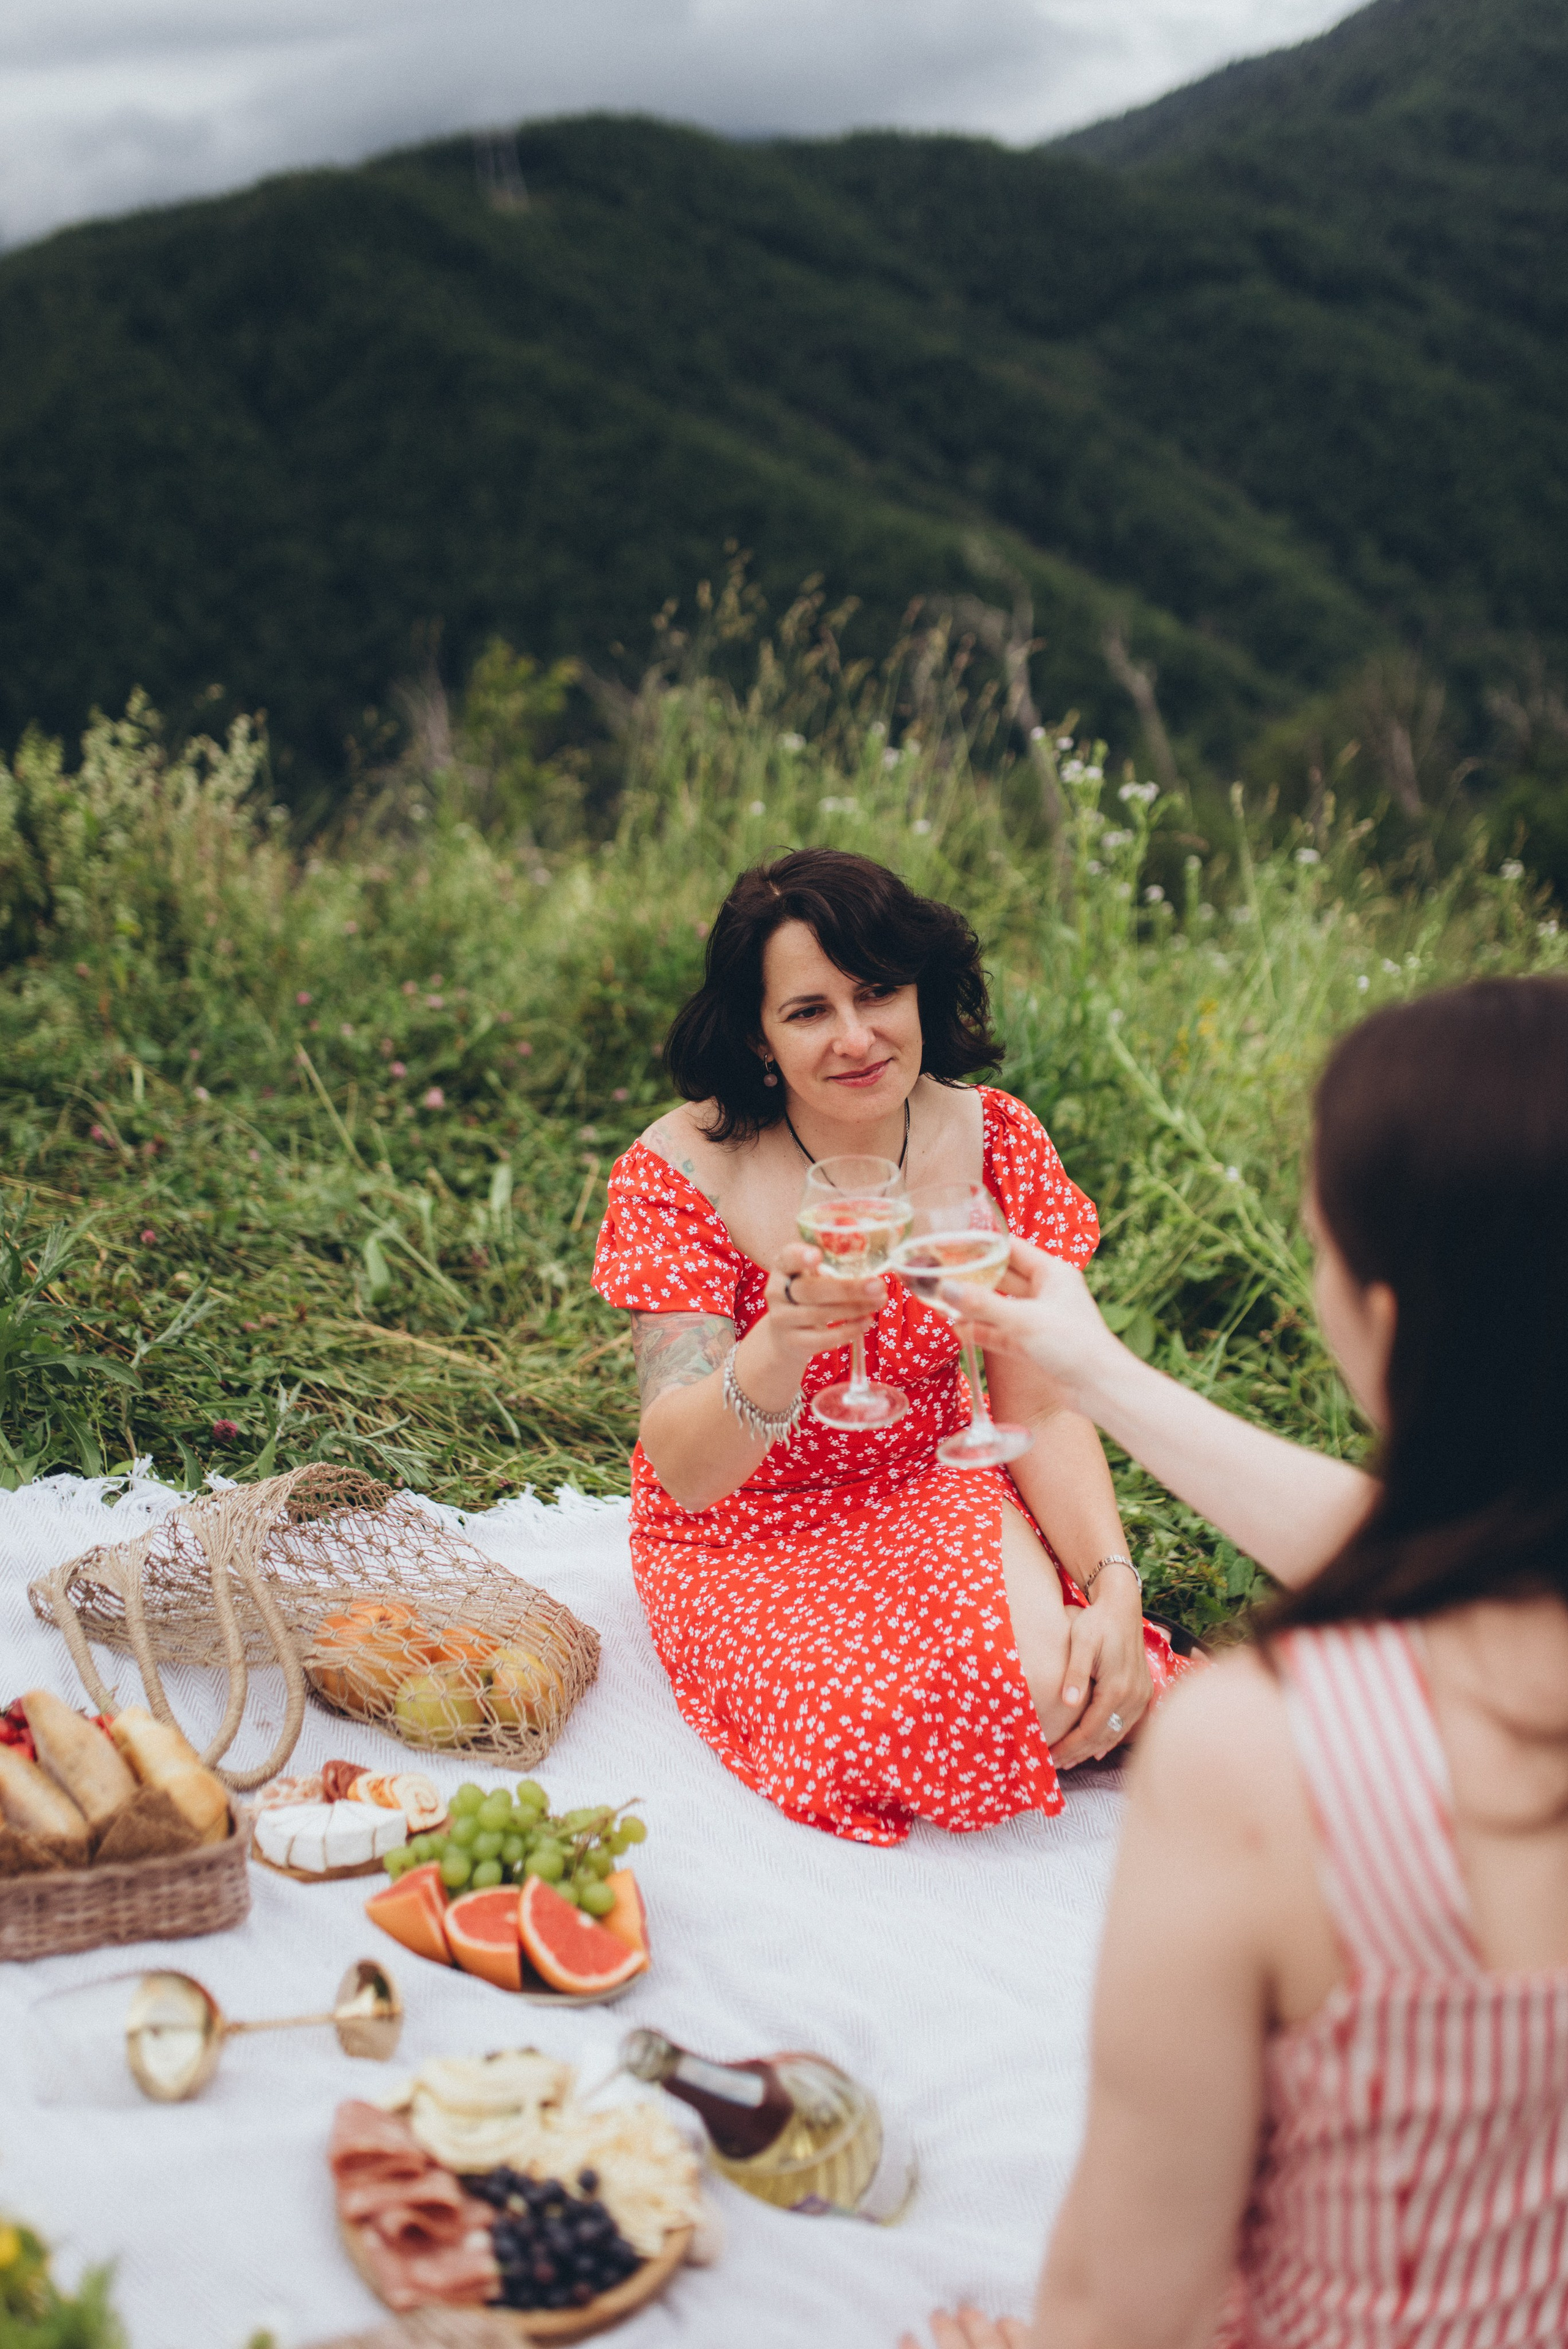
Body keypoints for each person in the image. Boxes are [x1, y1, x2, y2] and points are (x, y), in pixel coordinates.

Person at [902, 974, 1568, 2349]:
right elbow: (1429, 1534)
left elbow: (1120, 2310)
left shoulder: (1269, 1752)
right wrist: (1089, 1368)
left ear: (1382, 1321)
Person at [590, 848, 1190, 1844]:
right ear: (757, 1035)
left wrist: (1114, 1586)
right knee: (886, 1729)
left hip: (929, 1478)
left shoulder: (998, 1141)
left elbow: (1037, 1409)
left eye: (878, 993)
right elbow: (686, 1471)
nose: (858, 1038)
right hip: (744, 1531)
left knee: (1062, 1692)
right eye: (809, 1010)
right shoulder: (680, 1172)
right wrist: (780, 1343)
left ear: (923, 992)